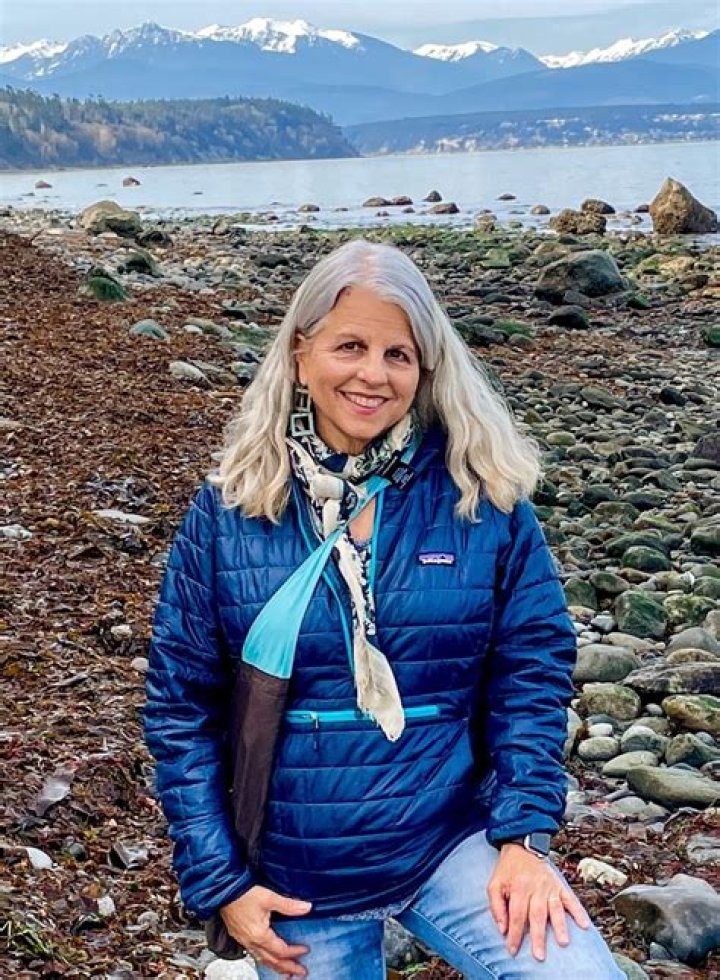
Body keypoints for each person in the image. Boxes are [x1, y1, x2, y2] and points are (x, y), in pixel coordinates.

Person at [144, 239, 624, 979]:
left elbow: (532, 671)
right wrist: (222, 885)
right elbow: (181, 710)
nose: (373, 374)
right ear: (300, 355)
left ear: (425, 370)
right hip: (298, 876)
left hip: (452, 839)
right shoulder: (228, 512)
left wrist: (524, 839)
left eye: (398, 354)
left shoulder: (481, 495)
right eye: (350, 346)